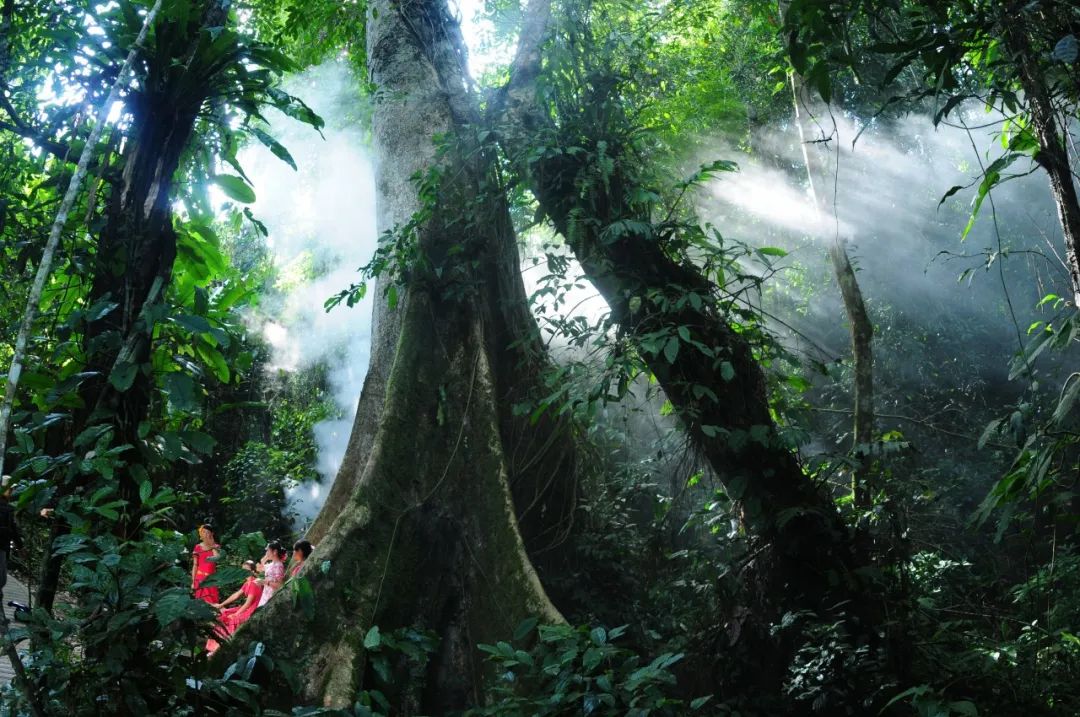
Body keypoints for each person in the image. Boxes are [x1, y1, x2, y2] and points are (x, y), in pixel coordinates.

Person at [206, 560, 263, 655]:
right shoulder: (247, 583)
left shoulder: (253, 583)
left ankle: (224, 648)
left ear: (252, 571)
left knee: (232, 619)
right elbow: (236, 595)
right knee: (223, 614)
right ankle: (215, 647)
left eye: (246, 570)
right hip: (247, 608)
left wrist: (236, 614)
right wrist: (221, 605)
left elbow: (248, 604)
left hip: (252, 610)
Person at [0, 477, 23, 597]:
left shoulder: (8, 508)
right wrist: (21, 548)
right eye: (10, 490)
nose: (11, 493)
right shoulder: (7, 509)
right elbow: (12, 530)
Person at [191, 522, 221, 605]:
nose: (205, 534)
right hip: (199, 578)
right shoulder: (197, 547)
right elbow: (195, 565)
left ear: (212, 534)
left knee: (212, 601)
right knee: (200, 603)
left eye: (208, 532)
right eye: (203, 532)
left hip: (211, 578)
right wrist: (193, 581)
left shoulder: (216, 546)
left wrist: (212, 546)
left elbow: (216, 558)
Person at [256, 540, 286, 607]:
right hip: (266, 595)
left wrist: (264, 582)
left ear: (275, 552)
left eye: (268, 550)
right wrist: (264, 559)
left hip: (272, 597)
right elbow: (258, 569)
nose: (266, 553)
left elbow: (280, 586)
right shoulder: (271, 564)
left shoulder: (278, 566)